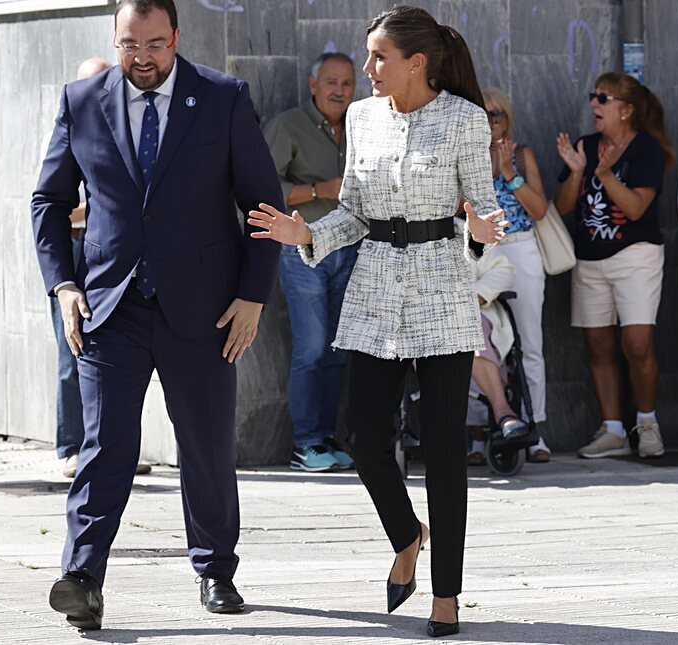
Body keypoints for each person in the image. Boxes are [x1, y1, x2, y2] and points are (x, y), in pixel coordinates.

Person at [247, 5, 504, 637]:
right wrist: (303, 231)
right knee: (362, 436)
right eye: (367, 58)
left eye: (379, 58)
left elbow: (486, 209)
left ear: (417, 62)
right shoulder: (362, 118)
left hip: (443, 288)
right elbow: (355, 213)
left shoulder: (466, 119)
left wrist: (478, 232)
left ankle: (446, 597)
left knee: (443, 449)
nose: (367, 71)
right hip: (375, 290)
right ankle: (406, 533)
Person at [31, 0, 283, 629]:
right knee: (104, 445)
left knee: (205, 447)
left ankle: (215, 568)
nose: (141, 58)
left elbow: (263, 204)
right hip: (109, 307)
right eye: (128, 44)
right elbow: (48, 201)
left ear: (175, 37)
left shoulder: (223, 98)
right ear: (114, 40)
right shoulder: (81, 99)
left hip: (205, 312)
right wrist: (63, 286)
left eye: (153, 44)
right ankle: (83, 575)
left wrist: (253, 296)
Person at [553, 73, 675, 459]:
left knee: (637, 344)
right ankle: (613, 430)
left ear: (626, 110)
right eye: (593, 96)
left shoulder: (646, 150)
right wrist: (577, 172)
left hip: (636, 257)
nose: (594, 104)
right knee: (598, 345)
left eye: (603, 98)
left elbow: (637, 208)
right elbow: (564, 208)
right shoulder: (586, 145)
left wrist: (604, 175)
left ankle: (648, 423)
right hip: (588, 259)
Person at [50, 57, 152, 479]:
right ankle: (72, 447)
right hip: (74, 254)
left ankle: (113, 446)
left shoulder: (126, 126)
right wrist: (102, 208)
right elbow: (53, 203)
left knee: (114, 358)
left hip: (113, 256)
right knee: (71, 351)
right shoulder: (70, 125)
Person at [264, 52, 358, 473]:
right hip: (302, 250)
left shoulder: (360, 125)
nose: (340, 90)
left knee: (339, 350)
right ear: (313, 84)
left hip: (351, 248)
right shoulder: (288, 125)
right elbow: (263, 188)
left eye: (348, 83)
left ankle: (326, 437)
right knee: (313, 347)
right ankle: (305, 443)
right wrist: (321, 189)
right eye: (332, 82)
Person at [480, 87, 551, 463]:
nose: (491, 121)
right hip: (478, 254)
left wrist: (510, 174)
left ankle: (534, 430)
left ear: (507, 119)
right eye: (485, 114)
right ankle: (479, 431)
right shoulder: (467, 156)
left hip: (520, 247)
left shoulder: (522, 156)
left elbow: (539, 210)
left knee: (529, 343)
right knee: (474, 341)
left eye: (497, 114)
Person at [464, 237, 521, 465]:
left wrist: (473, 297)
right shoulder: (396, 237)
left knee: (469, 327)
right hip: (422, 325)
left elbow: (503, 270)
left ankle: (502, 411)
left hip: (472, 315)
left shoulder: (464, 233)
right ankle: (498, 419)